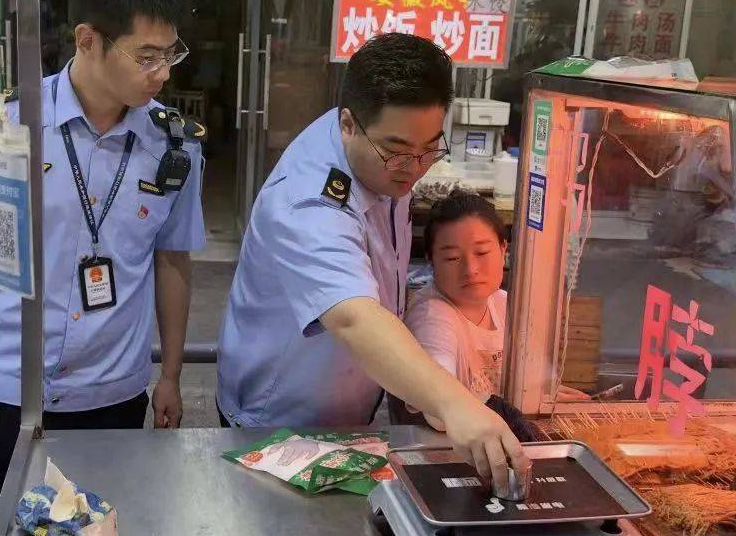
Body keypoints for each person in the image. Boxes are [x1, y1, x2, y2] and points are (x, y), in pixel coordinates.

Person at [0, 0, 205, 536]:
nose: (162, 73)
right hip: (4, 386)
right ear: (88, 40)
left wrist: (170, 374)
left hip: (110, 395)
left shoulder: (174, 147)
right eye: (146, 56)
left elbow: (172, 262)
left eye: (171, 54)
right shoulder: (6, 127)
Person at [217, 33, 529, 495]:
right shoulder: (308, 200)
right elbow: (353, 316)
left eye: (429, 148)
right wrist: (455, 404)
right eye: (397, 150)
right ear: (347, 124)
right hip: (280, 419)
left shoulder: (377, 147)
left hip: (349, 401)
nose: (413, 167)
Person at [401, 190, 589, 440]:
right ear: (431, 261)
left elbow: (536, 384)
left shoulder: (505, 304)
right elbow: (437, 408)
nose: (471, 269)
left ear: (503, 249)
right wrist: (511, 408)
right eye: (452, 258)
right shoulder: (431, 316)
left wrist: (548, 397)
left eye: (481, 252)